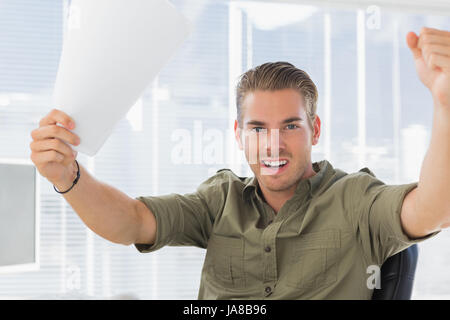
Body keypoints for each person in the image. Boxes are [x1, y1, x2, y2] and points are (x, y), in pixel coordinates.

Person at [30, 27, 450, 299]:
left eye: (289, 126)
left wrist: (445, 107)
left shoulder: (355, 199)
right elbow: (134, 221)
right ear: (238, 134)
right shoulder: (219, 200)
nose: (273, 144)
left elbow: (433, 209)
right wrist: (70, 177)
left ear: (315, 130)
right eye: (257, 128)